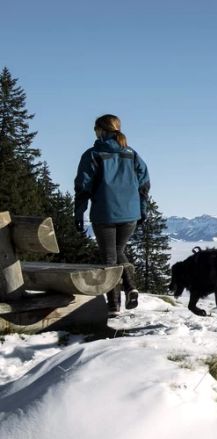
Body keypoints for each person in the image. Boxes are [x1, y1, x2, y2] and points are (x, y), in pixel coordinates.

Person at [74, 114, 151, 315]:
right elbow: (144, 184)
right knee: (117, 251)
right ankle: (130, 288)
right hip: (131, 214)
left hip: (105, 214)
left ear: (102, 130)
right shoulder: (132, 154)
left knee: (109, 258)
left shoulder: (93, 154)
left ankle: (114, 306)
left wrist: (79, 213)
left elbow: (83, 186)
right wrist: (142, 210)